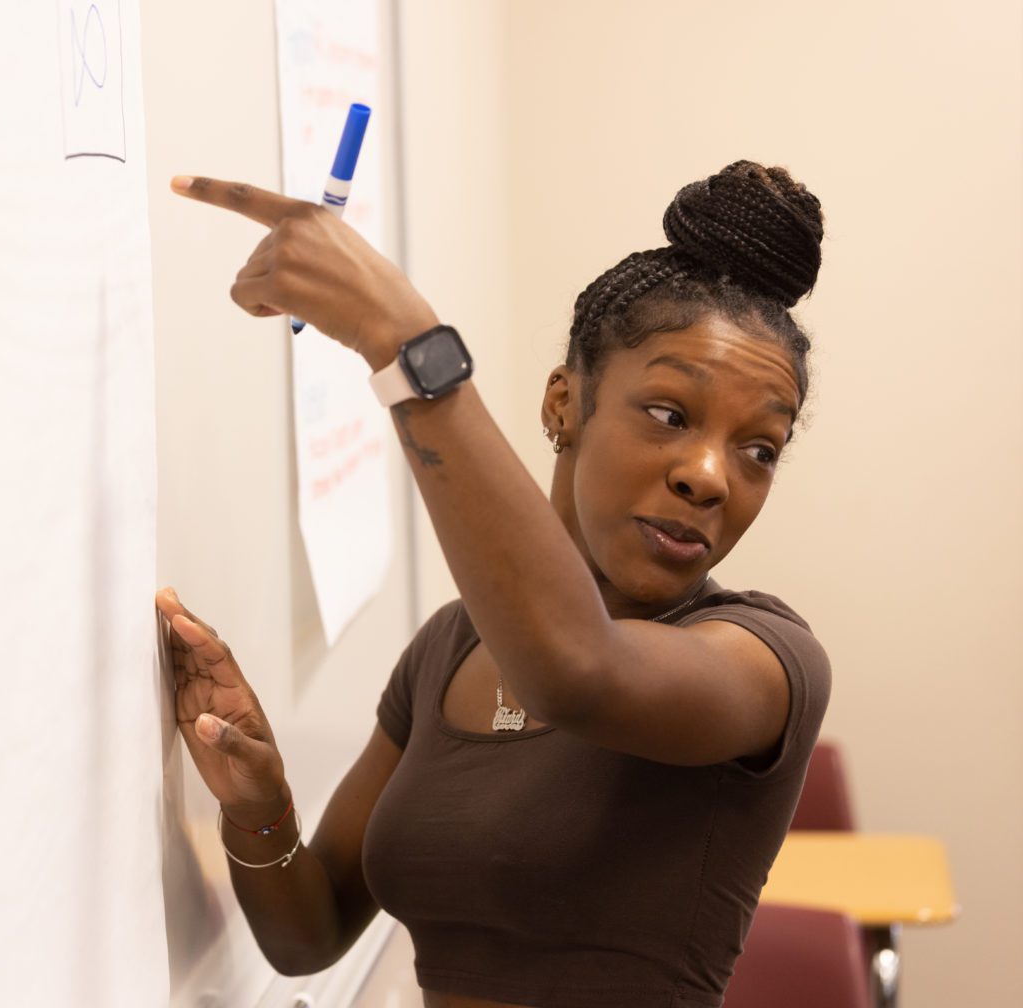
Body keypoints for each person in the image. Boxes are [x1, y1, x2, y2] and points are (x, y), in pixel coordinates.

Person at [155, 160, 832, 1008]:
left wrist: (402, 341)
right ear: (563, 404)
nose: (710, 477)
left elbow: (577, 672)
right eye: (669, 415)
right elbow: (309, 933)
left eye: (758, 449)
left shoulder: (766, 662)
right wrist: (261, 800)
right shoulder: (452, 646)